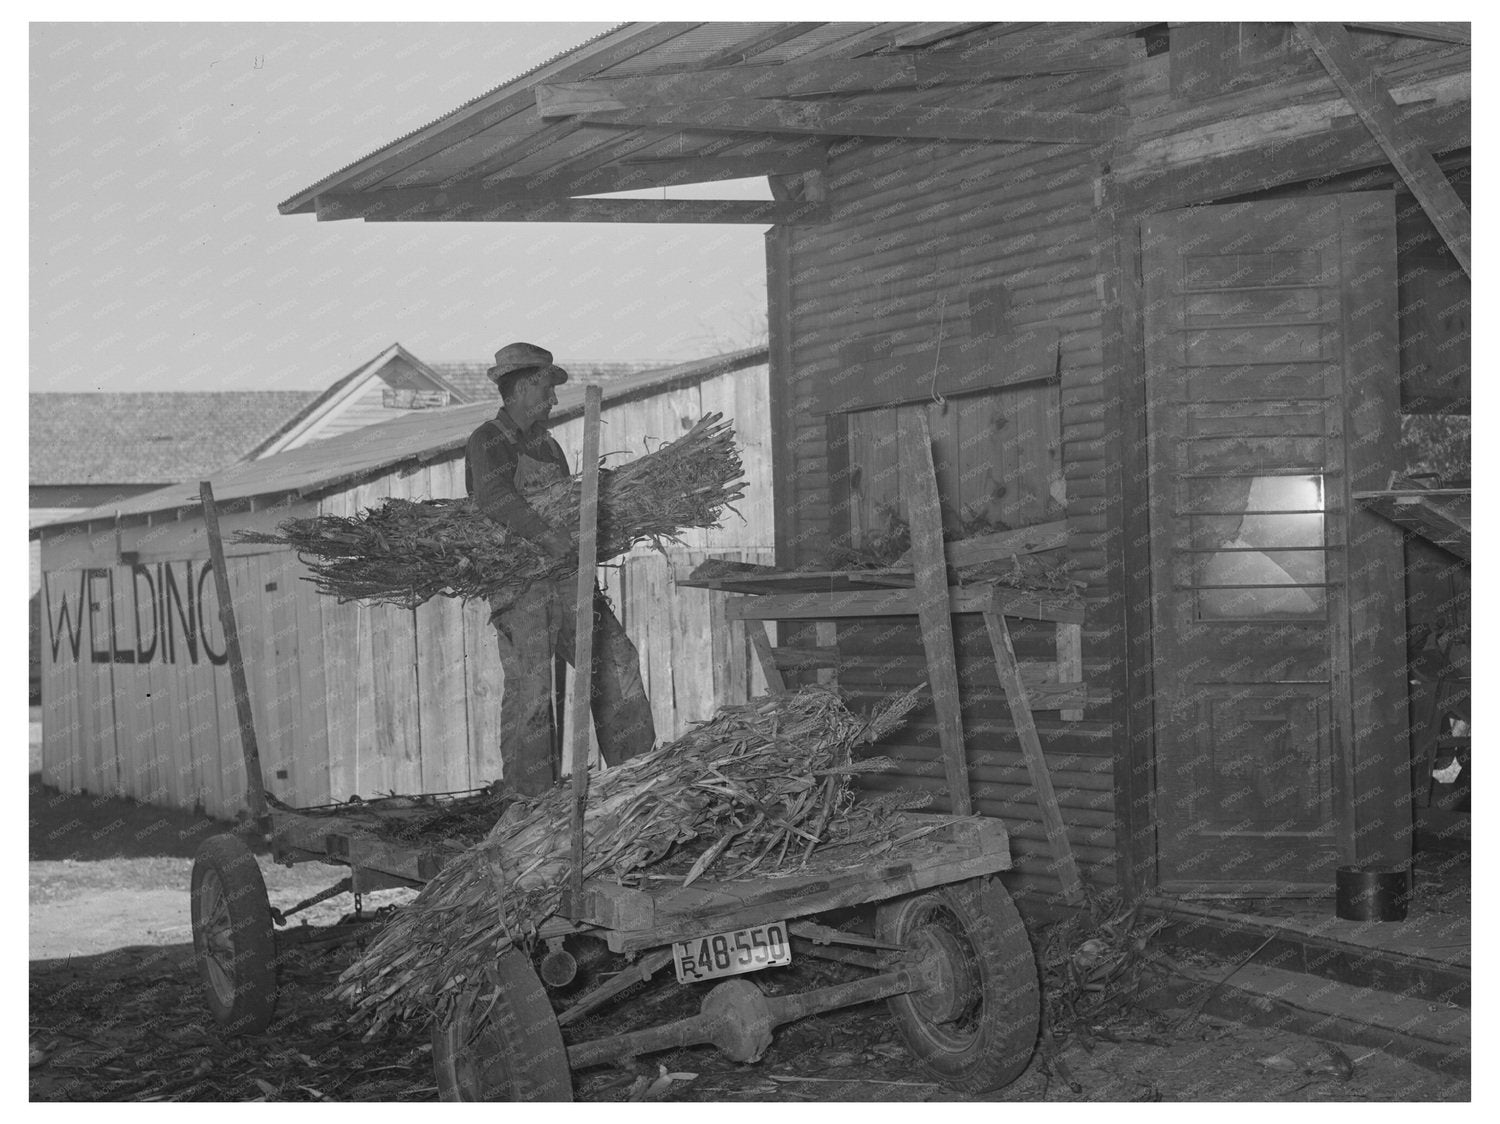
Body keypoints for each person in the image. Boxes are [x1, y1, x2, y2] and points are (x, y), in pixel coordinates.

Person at [464, 342, 656, 795]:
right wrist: (546, 535)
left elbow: (571, 510)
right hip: (522, 585)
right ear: (524, 386)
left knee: (616, 659)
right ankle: (530, 805)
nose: (552, 399)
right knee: (533, 693)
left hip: (568, 581)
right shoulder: (488, 438)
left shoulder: (547, 446)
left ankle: (636, 782)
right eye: (546, 389)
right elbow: (493, 499)